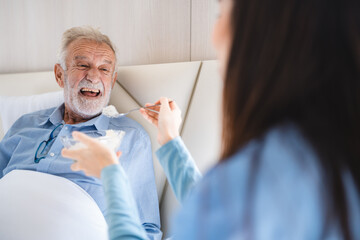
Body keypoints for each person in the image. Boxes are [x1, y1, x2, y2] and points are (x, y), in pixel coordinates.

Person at [62, 0, 360, 239]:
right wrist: (169, 139)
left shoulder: (257, 175)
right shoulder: (327, 158)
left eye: (221, 14)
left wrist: (110, 175)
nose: (214, 35)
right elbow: (220, 210)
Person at [0, 26, 161, 239]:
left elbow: (146, 228)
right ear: (60, 75)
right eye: (83, 65)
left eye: (104, 69)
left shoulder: (130, 137)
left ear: (112, 81)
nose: (94, 77)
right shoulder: (24, 124)